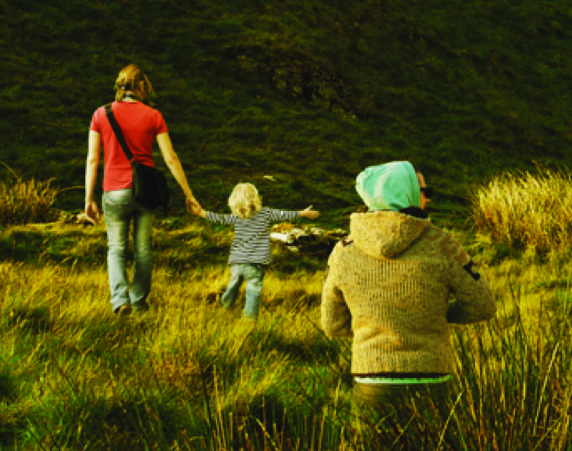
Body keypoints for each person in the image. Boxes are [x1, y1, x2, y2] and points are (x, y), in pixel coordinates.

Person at [321, 161, 495, 444]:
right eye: (423, 190)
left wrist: (373, 323)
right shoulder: (444, 244)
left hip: (371, 381)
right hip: (431, 380)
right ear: (408, 195)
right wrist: (433, 314)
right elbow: (483, 304)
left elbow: (331, 324)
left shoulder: (342, 251)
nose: (428, 197)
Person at [82, 64, 204, 313]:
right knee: (143, 250)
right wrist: (188, 194)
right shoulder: (153, 116)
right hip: (145, 192)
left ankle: (119, 301)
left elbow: (93, 159)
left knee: (116, 248)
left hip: (113, 192)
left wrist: (88, 199)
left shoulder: (100, 114)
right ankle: (138, 302)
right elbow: (171, 158)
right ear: (142, 87)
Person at [202, 182, 319, 319]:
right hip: (256, 261)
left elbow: (220, 218)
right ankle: (250, 318)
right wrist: (303, 213)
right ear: (255, 198)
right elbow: (283, 214)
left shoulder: (237, 217)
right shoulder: (265, 213)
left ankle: (226, 303)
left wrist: (202, 213)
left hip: (237, 260)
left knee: (235, 282)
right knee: (253, 288)